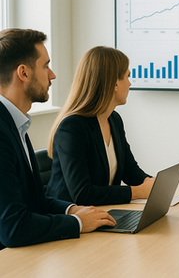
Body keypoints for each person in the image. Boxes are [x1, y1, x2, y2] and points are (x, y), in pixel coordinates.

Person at [0, 28, 116, 249]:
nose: (52, 75)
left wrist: (73, 210)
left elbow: (34, 202)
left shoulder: (15, 123)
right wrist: (78, 222)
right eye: (45, 66)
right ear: (23, 73)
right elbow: (13, 227)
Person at [46, 46, 154, 206]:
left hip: (103, 212)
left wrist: (150, 183)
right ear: (114, 83)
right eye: (127, 77)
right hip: (72, 220)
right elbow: (83, 193)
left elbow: (129, 169)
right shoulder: (72, 127)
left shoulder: (114, 119)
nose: (130, 83)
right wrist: (137, 192)